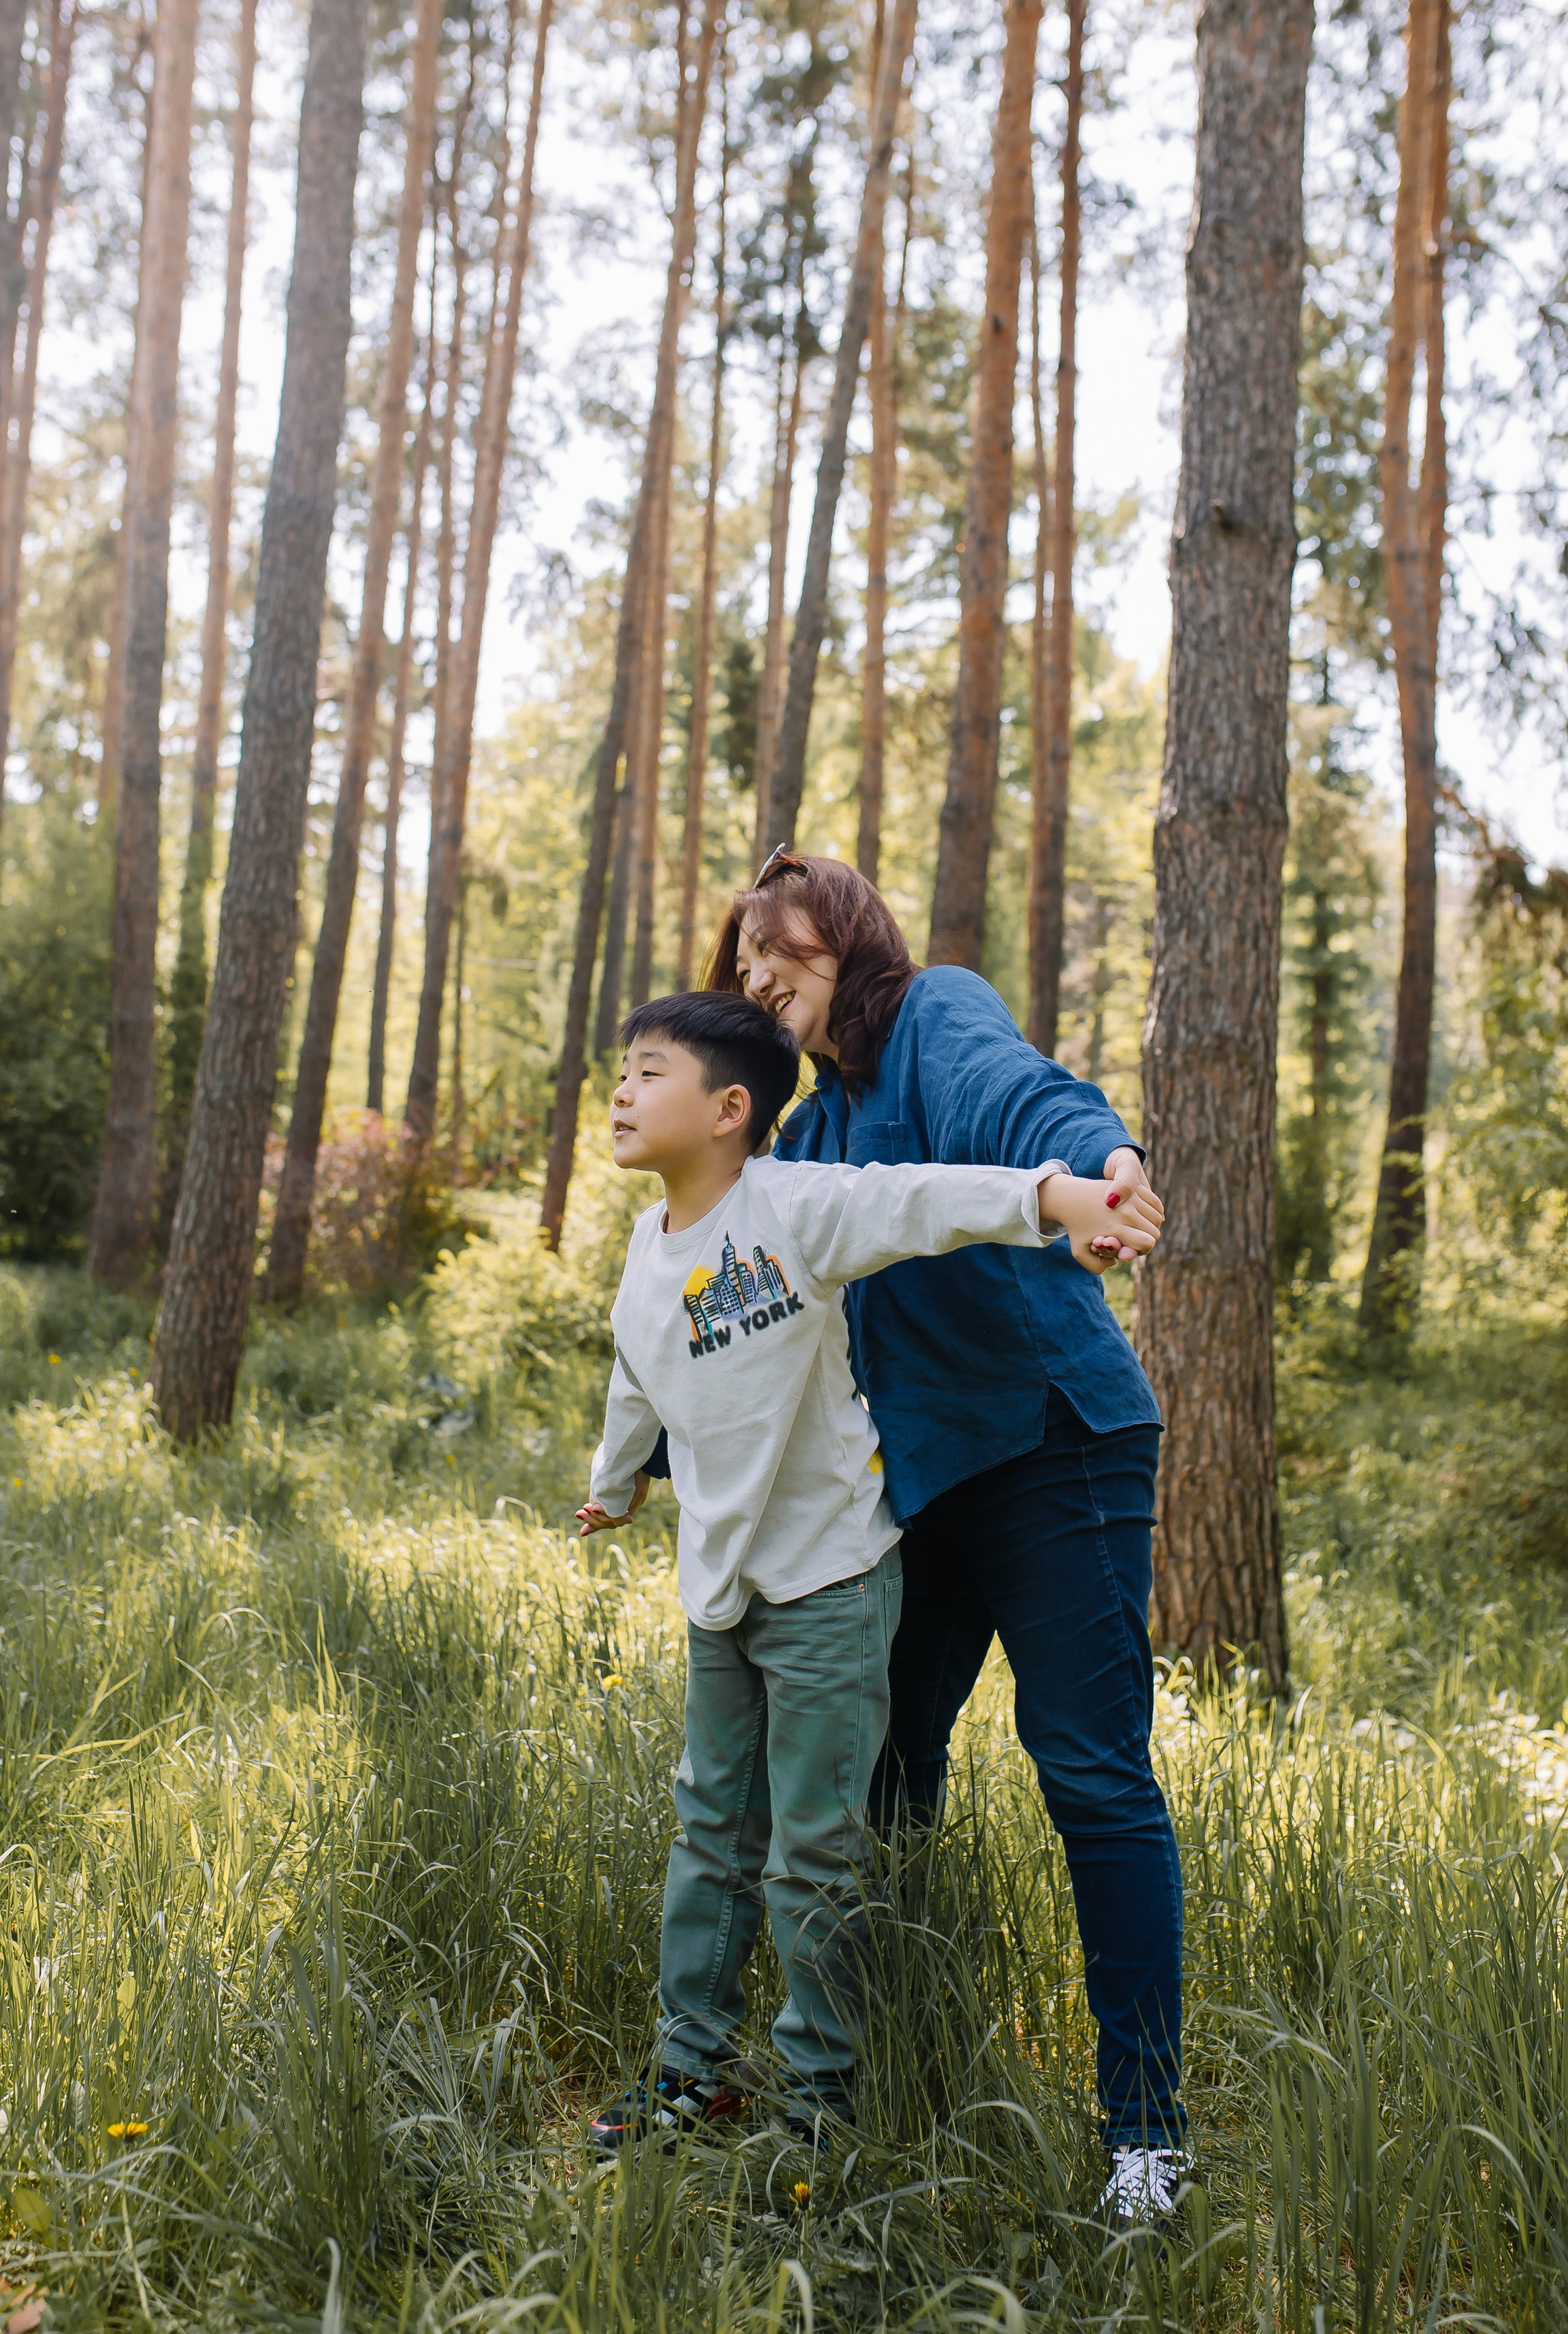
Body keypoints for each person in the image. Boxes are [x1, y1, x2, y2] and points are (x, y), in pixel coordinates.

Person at [575, 988, 1160, 2155]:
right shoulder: (649, 1249)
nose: (624, 1093)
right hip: (721, 1592)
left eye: (649, 1073)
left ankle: (819, 2099)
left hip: (832, 1589)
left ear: (732, 1108)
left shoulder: (799, 1207)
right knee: (708, 1835)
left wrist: (1057, 1193)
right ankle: (690, 2068)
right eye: (623, 1073)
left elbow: (925, 1199)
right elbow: (639, 1378)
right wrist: (617, 1476)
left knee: (814, 1852)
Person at [702, 853, 1188, 2228]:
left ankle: (1145, 2138)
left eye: (773, 948)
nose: (756, 979)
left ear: (840, 934)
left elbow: (1013, 1098)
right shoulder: (807, 1138)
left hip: (1050, 1446)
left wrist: (1100, 1169)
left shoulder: (930, 1015)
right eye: (739, 968)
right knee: (881, 1771)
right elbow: (751, 1299)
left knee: (1089, 1774)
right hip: (914, 1491)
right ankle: (867, 2078)